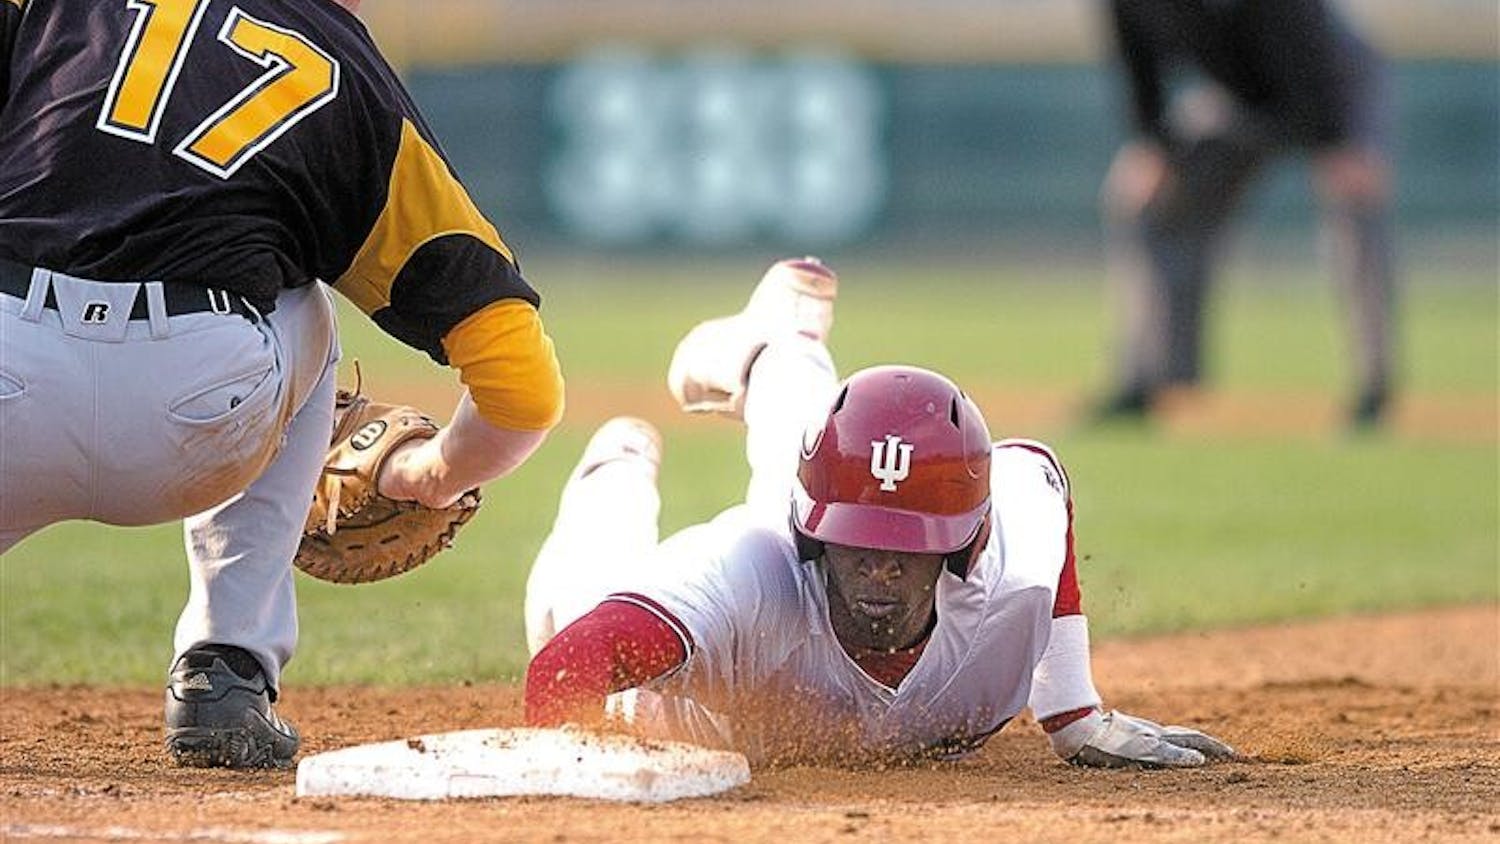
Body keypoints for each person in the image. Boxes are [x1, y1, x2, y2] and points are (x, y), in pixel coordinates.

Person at [0, 0, 564, 769]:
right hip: (195, 413)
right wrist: (436, 475)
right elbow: (523, 386)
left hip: (8, 390)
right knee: (303, 304)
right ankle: (224, 669)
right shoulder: (345, 69)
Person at [523, 258, 1234, 767]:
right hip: (684, 692)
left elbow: (1041, 474)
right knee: (571, 599)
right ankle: (615, 468)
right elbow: (565, 669)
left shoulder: (1010, 552)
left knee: (826, 449)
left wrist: (1074, 712)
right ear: (814, 535)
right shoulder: (749, 571)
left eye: (908, 547)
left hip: (827, 497)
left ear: (968, 545)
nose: (879, 566)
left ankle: (782, 338)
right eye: (856, 544)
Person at [1092, 0, 1398, 429]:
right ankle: (1148, 377)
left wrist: (1338, 139)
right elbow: (1137, 58)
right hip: (1239, 95)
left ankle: (1374, 386)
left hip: (1335, 81)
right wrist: (1152, 144)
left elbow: (1303, 31)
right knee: (1143, 200)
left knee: (1354, 206)